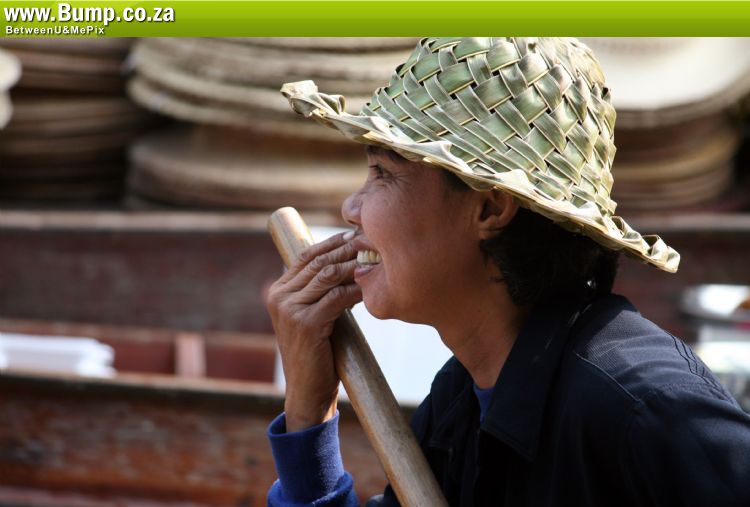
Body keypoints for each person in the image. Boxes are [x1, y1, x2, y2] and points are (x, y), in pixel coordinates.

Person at [265, 37, 750, 506]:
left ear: (490, 209)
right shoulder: (460, 400)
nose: (351, 208)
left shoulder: (646, 409)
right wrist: (308, 409)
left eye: (382, 173)